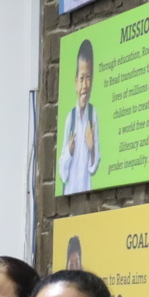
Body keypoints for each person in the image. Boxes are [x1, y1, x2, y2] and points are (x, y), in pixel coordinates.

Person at [57, 43, 101, 196]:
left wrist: (92, 148)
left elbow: (93, 167)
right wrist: (69, 151)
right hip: (71, 194)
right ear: (76, 82)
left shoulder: (93, 114)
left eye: (88, 78)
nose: (85, 85)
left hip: (87, 196)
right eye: (81, 78)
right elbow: (62, 173)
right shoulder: (70, 118)